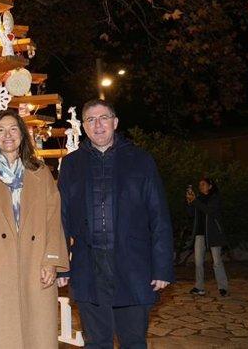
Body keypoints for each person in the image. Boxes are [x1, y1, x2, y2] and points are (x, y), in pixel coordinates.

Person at [58, 99, 174, 349]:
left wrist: (162, 267)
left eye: (103, 118)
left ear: (115, 122)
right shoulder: (71, 165)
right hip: (89, 271)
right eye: (90, 120)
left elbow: (159, 216)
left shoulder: (141, 160)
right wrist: (61, 266)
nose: (97, 125)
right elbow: (61, 218)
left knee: (133, 342)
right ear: (84, 127)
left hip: (133, 269)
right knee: (96, 343)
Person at [0, 109, 69, 348]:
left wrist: (52, 260)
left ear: (22, 134)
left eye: (13, 129)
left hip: (36, 266)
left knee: (38, 334)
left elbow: (53, 219)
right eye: (1, 130)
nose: (7, 135)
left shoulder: (41, 173)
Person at [186, 177, 229, 297]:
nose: (201, 186)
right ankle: (199, 287)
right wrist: (189, 202)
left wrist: (195, 201)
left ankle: (223, 287)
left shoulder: (215, 198)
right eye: (199, 185)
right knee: (198, 262)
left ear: (210, 186)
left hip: (213, 234)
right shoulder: (198, 199)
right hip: (200, 234)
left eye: (203, 184)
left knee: (217, 262)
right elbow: (191, 214)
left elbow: (209, 210)